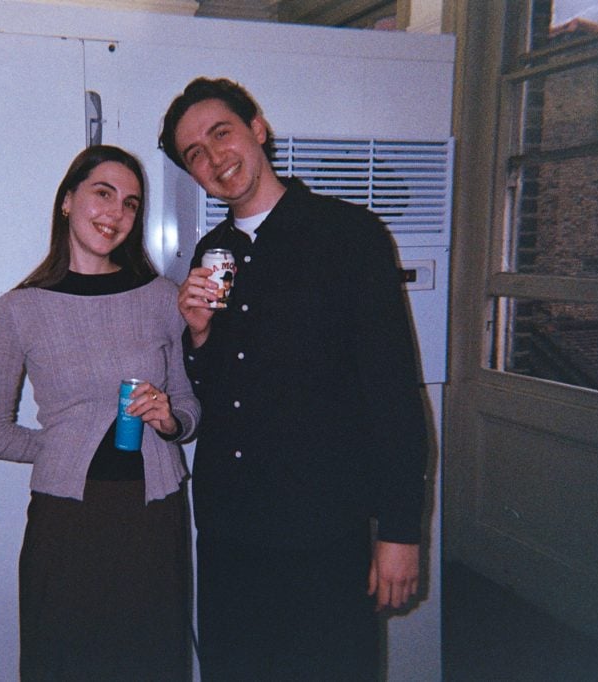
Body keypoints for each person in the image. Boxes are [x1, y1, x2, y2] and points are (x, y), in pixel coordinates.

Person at [159, 77, 430, 680]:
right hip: (230, 529)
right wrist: (199, 335)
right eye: (194, 154)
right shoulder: (212, 250)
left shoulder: (349, 236)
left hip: (321, 529)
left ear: (258, 130)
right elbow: (215, 392)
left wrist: (400, 530)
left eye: (220, 133)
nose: (212, 157)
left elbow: (392, 392)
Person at [0, 145, 200, 681]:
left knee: (152, 665)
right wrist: (64, 449)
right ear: (68, 200)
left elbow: (190, 406)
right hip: (67, 520)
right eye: (103, 194)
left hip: (154, 512)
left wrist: (170, 421)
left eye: (130, 204)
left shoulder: (162, 297)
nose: (115, 214)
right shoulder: (20, 308)